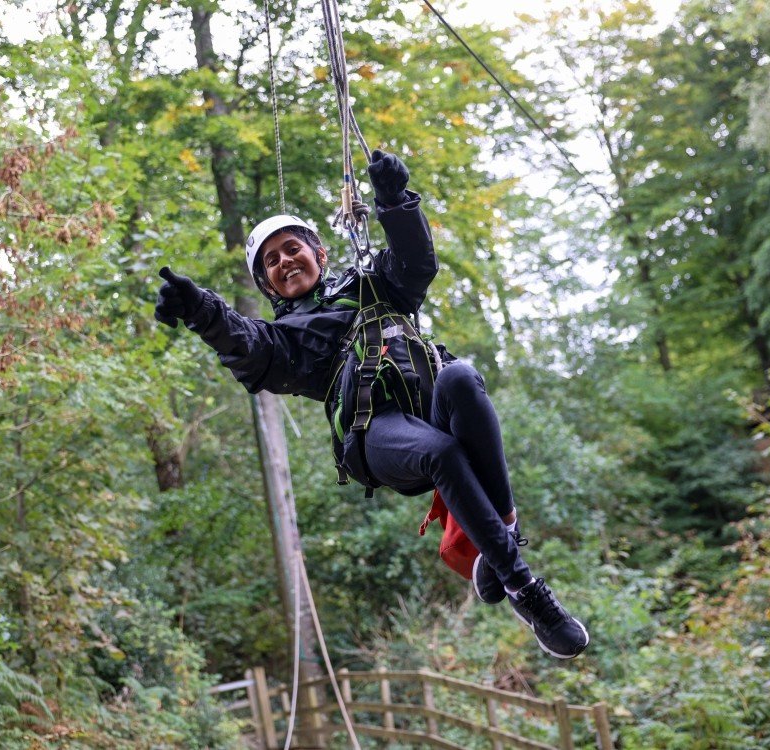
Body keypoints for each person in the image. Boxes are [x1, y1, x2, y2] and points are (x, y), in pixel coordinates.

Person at [154, 150, 589, 660]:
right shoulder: (284, 339)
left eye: (291, 249)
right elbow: (244, 344)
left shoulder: (373, 284)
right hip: (373, 433)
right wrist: (200, 310)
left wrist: (393, 202)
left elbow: (416, 263)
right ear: (267, 284)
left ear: (317, 251)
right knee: (440, 454)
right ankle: (526, 590)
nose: (284, 261)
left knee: (462, 377)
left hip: (428, 405)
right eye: (270, 262)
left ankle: (504, 533)